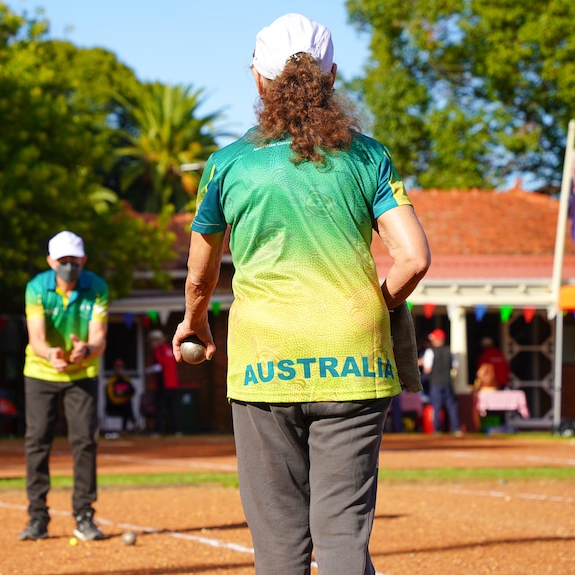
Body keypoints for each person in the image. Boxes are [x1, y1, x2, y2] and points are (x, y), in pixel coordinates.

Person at [173, 13, 430, 574]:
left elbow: (201, 274)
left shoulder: (226, 165)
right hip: (355, 361)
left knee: (280, 546)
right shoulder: (369, 157)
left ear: (258, 78)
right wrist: (374, 303)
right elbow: (413, 259)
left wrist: (195, 319)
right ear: (331, 75)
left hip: (264, 361)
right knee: (342, 541)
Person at [18, 230, 109, 542]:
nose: (68, 266)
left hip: (82, 374)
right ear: (50, 261)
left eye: (74, 260)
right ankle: (37, 517)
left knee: (84, 441)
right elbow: (37, 339)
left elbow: (99, 339)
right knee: (38, 439)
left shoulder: (97, 288)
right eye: (62, 261)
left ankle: (84, 516)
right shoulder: (36, 289)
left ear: (83, 259)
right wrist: (51, 354)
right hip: (41, 371)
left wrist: (86, 348)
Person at [421, 329, 462, 436]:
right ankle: (456, 428)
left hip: (435, 383)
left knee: (436, 406)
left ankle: (437, 429)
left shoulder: (430, 351)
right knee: (451, 406)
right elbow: (455, 367)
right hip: (447, 382)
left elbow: (427, 369)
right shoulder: (449, 351)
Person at [147, 329, 180, 435]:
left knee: (160, 409)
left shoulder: (160, 350)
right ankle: (175, 430)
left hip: (163, 385)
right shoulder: (169, 349)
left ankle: (158, 430)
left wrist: (148, 370)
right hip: (172, 385)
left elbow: (158, 367)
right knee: (172, 409)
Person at [105, 359, 137, 434]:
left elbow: (132, 392)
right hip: (114, 405)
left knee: (127, 405)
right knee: (126, 405)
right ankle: (133, 424)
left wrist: (122, 395)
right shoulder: (111, 381)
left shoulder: (126, 380)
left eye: (120, 367)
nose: (119, 369)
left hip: (124, 404)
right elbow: (110, 396)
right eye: (117, 367)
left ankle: (125, 428)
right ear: (114, 369)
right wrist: (121, 399)